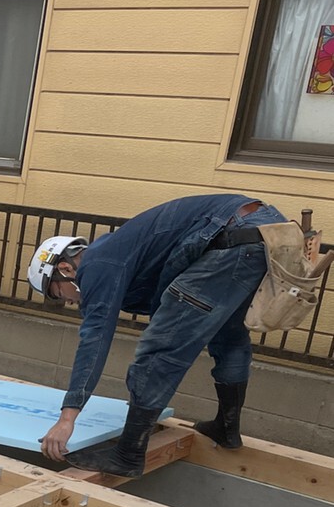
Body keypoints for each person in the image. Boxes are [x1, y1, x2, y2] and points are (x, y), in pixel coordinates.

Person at [28, 193, 286, 477]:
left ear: (65, 268)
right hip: (264, 232)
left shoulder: (97, 265)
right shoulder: (118, 253)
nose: (67, 301)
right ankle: (227, 428)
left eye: (57, 293)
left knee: (160, 349)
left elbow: (95, 338)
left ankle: (128, 454)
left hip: (234, 235)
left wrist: (67, 417)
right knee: (229, 335)